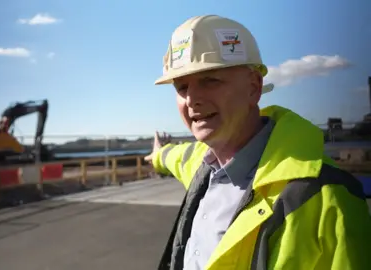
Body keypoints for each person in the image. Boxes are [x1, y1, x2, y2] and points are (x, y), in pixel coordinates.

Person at [146, 15, 371, 270]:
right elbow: (177, 157)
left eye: (210, 80)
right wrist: (158, 156)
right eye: (181, 86)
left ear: (254, 87)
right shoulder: (202, 164)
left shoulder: (329, 197)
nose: (192, 99)